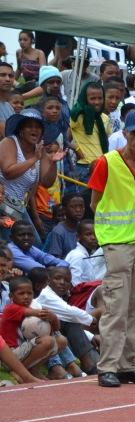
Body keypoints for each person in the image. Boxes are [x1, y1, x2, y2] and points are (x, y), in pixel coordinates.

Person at [87, 109, 135, 388]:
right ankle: (108, 366)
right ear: (125, 133)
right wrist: (111, 233)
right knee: (116, 306)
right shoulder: (107, 162)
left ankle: (127, 364)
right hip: (118, 242)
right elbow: (95, 202)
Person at [1, 109, 61, 243]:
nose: (34, 130)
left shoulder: (40, 150)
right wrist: (34, 159)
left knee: (36, 244)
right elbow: (8, 172)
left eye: (38, 127)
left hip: (19, 207)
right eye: (29, 126)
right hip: (3, 205)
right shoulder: (10, 142)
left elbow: (47, 182)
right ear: (21, 130)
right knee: (13, 244)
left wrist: (53, 163)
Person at [68, 81, 110, 188]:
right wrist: (76, 149)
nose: (97, 102)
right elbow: (65, 137)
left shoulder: (105, 118)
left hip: (102, 166)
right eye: (92, 98)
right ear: (85, 99)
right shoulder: (78, 116)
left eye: (100, 98)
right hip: (85, 167)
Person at [66, 220, 106, 285]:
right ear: (78, 237)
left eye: (96, 234)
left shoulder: (86, 255)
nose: (93, 238)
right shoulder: (78, 256)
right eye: (88, 234)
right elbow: (75, 284)